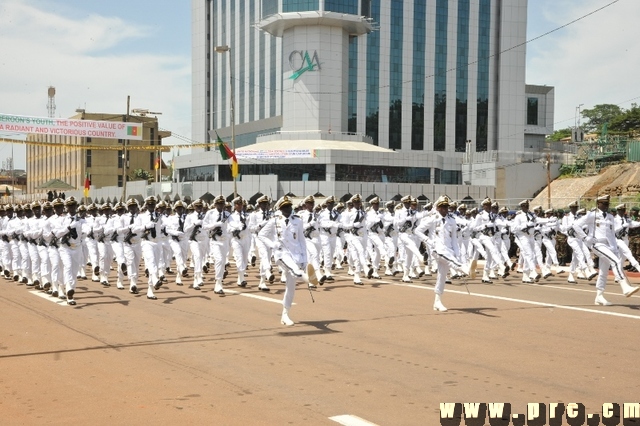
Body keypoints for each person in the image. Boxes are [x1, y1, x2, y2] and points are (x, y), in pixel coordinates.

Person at [572, 194, 639, 306]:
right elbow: (576, 225)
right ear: (598, 204)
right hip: (597, 244)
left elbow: (612, 234)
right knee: (616, 262)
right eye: (604, 203)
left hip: (609, 246)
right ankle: (625, 286)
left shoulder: (610, 217)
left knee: (603, 272)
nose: (606, 206)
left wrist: (615, 248)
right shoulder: (592, 215)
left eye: (607, 204)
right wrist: (585, 237)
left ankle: (599, 296)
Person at [258, 195, 309, 326]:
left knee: (291, 289)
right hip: (281, 254)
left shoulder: (298, 221)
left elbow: (301, 241)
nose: (288, 209)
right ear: (280, 209)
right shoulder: (274, 220)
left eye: (289, 207)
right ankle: (305, 276)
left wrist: (305, 258)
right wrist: (272, 244)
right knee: (295, 270)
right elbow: (261, 235)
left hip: (295, 255)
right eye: (285, 207)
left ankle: (285, 314)